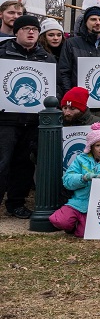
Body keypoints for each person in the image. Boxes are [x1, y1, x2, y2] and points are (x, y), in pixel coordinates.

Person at [0, 14, 54, 217]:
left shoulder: (47, 58)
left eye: (35, 29)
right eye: (26, 28)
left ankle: (16, 204)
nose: (31, 32)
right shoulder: (2, 53)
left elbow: (52, 87)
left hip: (33, 121)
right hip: (5, 120)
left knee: (24, 164)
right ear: (16, 32)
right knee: (2, 162)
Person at [53, 123, 100, 237]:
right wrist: (84, 178)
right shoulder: (80, 159)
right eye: (97, 145)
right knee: (59, 220)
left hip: (98, 206)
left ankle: (77, 225)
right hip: (78, 202)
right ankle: (72, 223)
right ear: (91, 146)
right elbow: (67, 181)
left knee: (83, 233)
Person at [58, 5, 100, 96]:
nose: (97, 22)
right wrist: (69, 95)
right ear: (85, 22)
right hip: (79, 100)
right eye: (93, 19)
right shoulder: (71, 44)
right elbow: (64, 72)